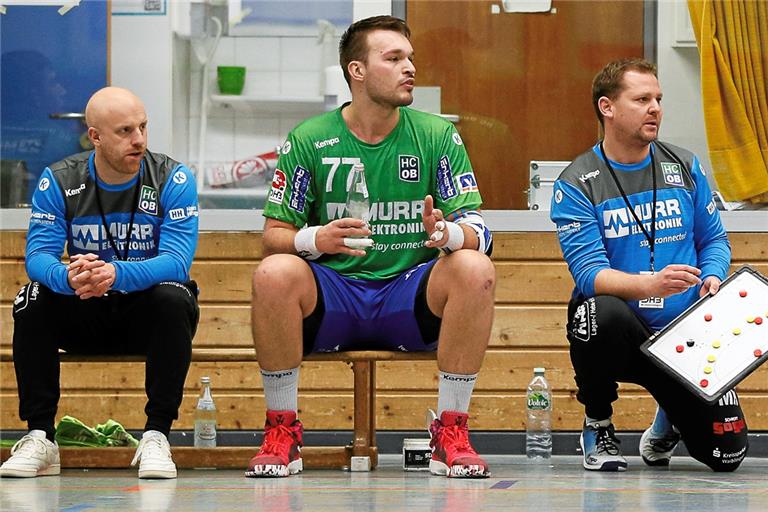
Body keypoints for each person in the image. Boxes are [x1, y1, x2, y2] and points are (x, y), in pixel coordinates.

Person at [246, 15, 495, 479]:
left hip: (407, 298)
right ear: (357, 71)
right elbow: (272, 237)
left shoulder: (436, 135)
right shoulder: (309, 139)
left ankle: (451, 431)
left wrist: (449, 235)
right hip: (334, 296)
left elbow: (481, 229)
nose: (410, 68)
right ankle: (282, 430)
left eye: (410, 58)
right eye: (394, 58)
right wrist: (314, 238)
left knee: (473, 267)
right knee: (274, 272)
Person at [550, 58, 748, 472]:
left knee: (727, 455)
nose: (655, 108)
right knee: (595, 313)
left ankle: (668, 422)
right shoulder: (576, 182)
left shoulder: (686, 166)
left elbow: (713, 240)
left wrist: (712, 276)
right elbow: (590, 276)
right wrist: (651, 286)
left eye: (658, 99)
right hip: (625, 335)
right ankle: (598, 424)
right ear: (607, 107)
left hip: (691, 335)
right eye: (642, 99)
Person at [0, 87, 200, 479]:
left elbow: (177, 262)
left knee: (174, 297)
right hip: (85, 307)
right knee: (31, 298)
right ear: (95, 137)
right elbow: (38, 257)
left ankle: (157, 435)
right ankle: (41, 436)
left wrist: (115, 273)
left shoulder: (172, 177)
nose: (139, 140)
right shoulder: (59, 180)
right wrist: (67, 276)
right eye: (125, 131)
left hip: (145, 318)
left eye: (143, 127)